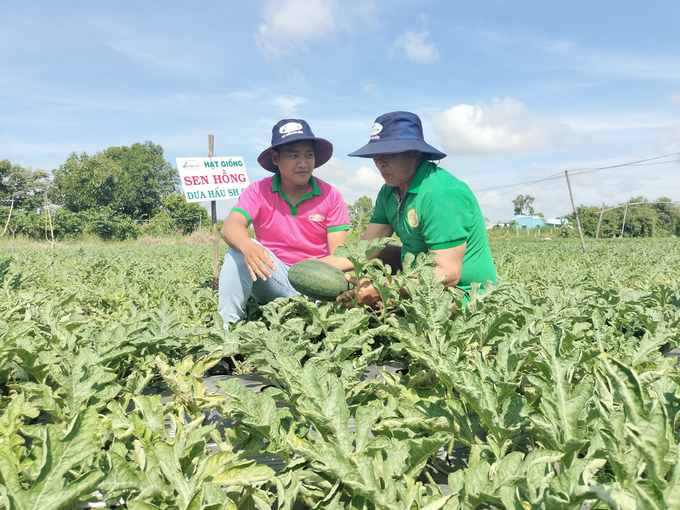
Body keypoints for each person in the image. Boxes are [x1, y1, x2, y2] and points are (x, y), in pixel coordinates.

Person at [333, 111, 496, 308]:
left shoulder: (441, 194)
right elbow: (365, 249)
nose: (380, 163)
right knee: (380, 253)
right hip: (418, 283)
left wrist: (383, 288)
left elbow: (448, 274)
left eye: (389, 154)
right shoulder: (389, 191)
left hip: (464, 294)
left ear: (415, 153)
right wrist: (313, 267)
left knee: (368, 306)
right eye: (376, 156)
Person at [217, 119, 351, 327]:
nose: (303, 163)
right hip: (273, 277)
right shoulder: (258, 191)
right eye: (293, 155)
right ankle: (226, 332)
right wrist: (248, 246)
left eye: (309, 154)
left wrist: (316, 271)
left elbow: (340, 255)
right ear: (275, 158)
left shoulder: (331, 196)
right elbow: (230, 225)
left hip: (315, 281)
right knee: (238, 250)